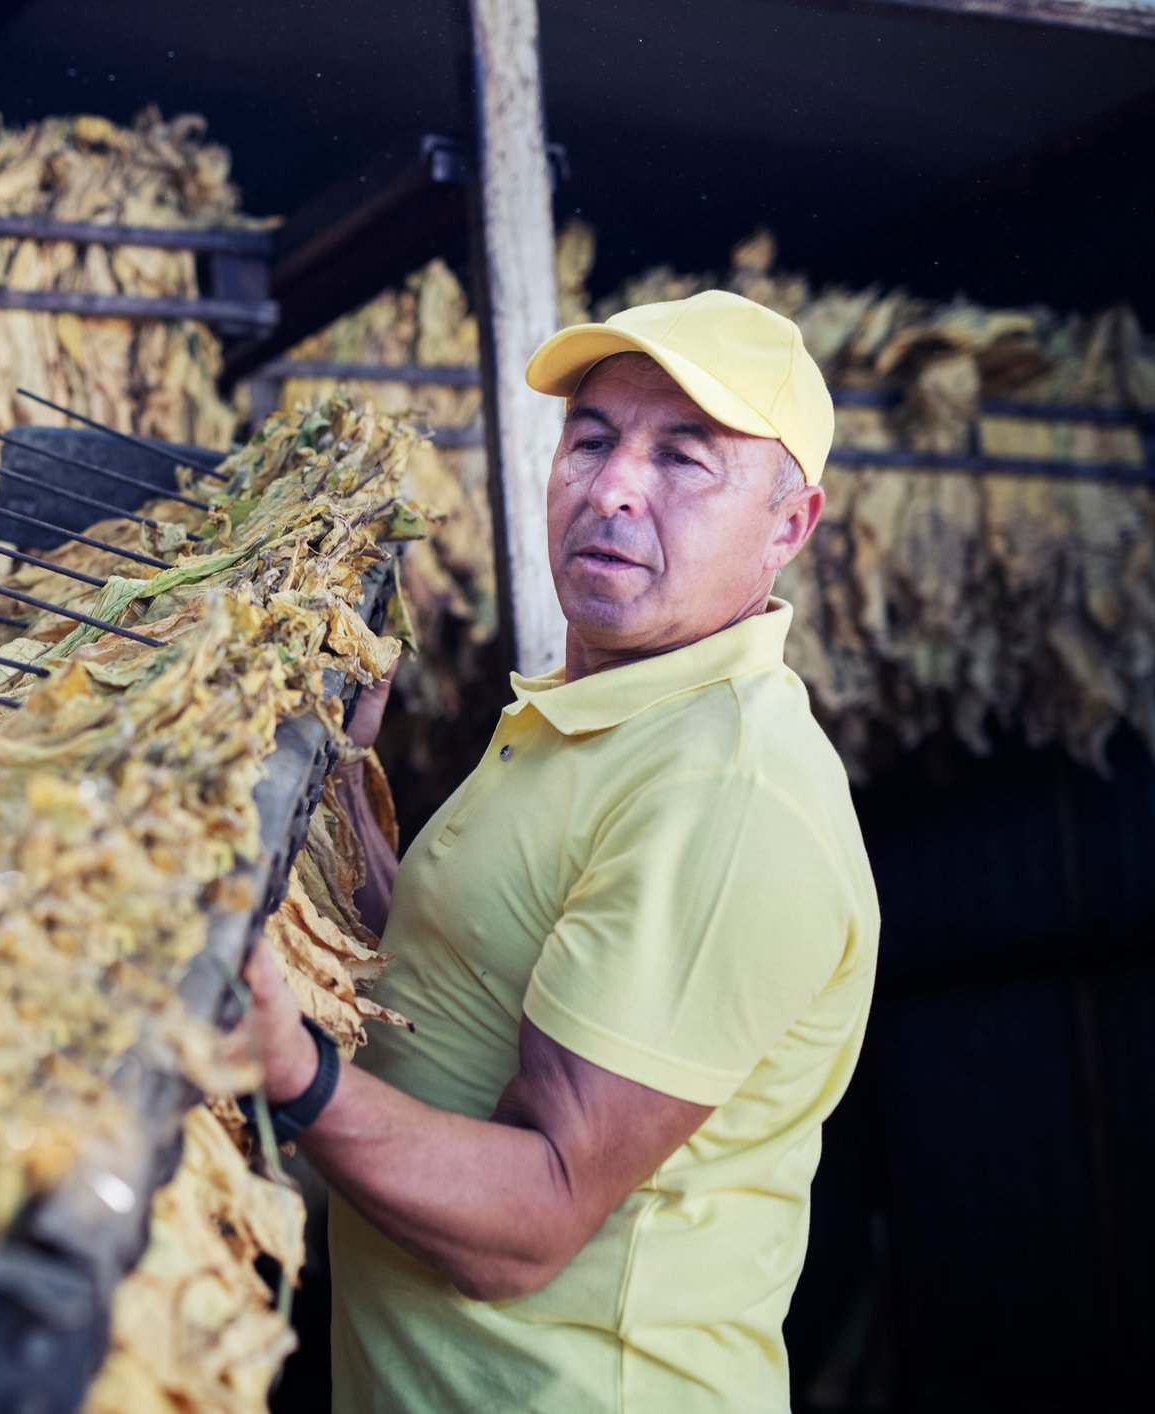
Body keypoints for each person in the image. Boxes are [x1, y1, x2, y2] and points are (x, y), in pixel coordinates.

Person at [244, 290, 881, 1412]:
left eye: (685, 458)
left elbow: (534, 1218)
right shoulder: (601, 717)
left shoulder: (726, 791)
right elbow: (445, 977)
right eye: (591, 438)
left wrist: (289, 1069)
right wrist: (340, 766)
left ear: (788, 527)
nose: (613, 485)